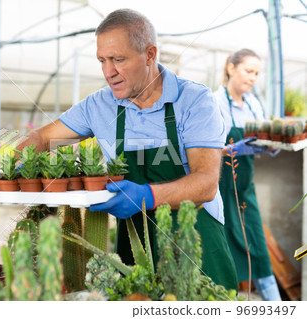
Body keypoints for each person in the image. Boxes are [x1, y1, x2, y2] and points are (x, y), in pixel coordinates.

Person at [17, 8, 237, 290]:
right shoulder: (98, 105)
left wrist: (145, 195)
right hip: (133, 248)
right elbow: (43, 138)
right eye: (102, 61)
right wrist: (18, 163)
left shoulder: (193, 100)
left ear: (149, 54)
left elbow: (205, 183)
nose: (109, 72)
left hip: (195, 242)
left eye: (118, 59)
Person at [214, 48, 282, 301]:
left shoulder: (254, 104)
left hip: (245, 187)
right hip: (218, 187)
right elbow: (204, 149)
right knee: (224, 248)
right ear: (231, 68)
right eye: (248, 71)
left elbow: (262, 138)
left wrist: (272, 146)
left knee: (258, 246)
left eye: (257, 73)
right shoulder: (215, 101)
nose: (253, 78)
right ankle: (226, 302)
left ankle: (276, 306)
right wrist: (232, 149)